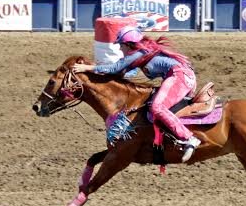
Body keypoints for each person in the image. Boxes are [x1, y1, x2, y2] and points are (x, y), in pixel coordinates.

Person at [73, 25, 201, 162]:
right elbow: (121, 72)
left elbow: (115, 68)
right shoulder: (141, 54)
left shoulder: (139, 53)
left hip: (179, 77)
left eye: (121, 45)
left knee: (157, 107)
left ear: (129, 45)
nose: (120, 49)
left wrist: (87, 68)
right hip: (183, 77)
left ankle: (189, 138)